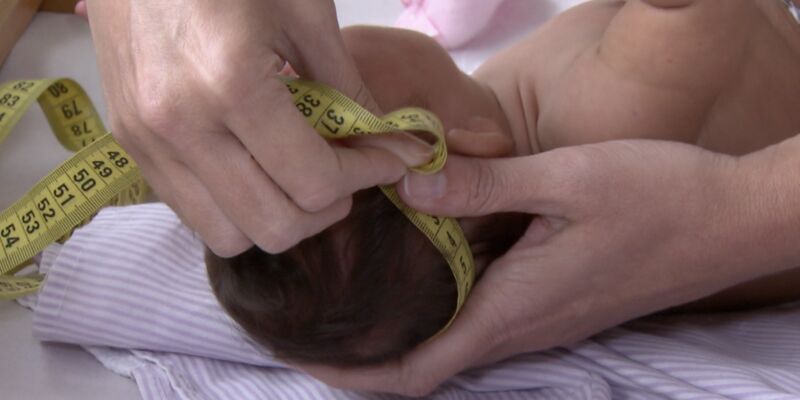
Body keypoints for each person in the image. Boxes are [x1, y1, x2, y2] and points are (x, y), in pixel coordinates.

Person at [81, 0, 800, 396]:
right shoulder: (610, 113)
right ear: (465, 149)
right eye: (316, 100)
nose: (289, 65)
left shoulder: (504, 118)